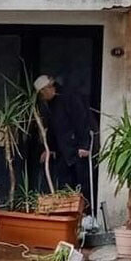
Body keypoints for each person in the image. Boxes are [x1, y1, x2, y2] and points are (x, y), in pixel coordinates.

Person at [34, 75, 97, 211]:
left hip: (78, 149)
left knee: (83, 184)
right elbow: (52, 129)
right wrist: (50, 149)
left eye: (42, 93)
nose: (42, 97)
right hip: (64, 150)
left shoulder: (69, 97)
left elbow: (82, 121)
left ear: (48, 89)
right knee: (65, 186)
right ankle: (69, 214)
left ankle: (86, 215)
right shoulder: (50, 104)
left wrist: (84, 145)